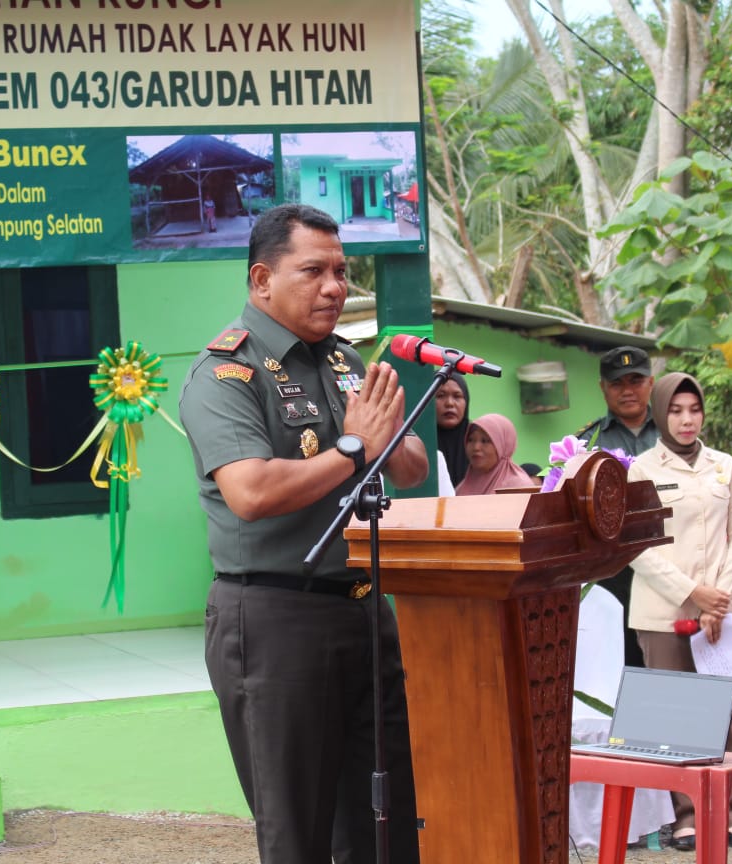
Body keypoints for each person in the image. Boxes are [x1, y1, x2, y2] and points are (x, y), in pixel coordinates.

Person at [178, 204, 429, 863]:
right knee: (299, 832)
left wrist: (387, 442)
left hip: (364, 612)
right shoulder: (226, 373)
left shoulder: (347, 362)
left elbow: (410, 464)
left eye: (342, 272)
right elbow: (252, 491)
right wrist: (353, 446)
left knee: (385, 821)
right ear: (262, 280)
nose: (335, 287)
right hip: (274, 619)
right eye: (313, 271)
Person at [626, 372, 732, 852]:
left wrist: (717, 597)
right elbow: (635, 544)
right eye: (676, 410)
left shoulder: (724, 466)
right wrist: (692, 592)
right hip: (662, 612)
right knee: (676, 715)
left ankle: (730, 816)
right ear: (660, 413)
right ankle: (686, 819)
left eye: (694, 410)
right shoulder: (639, 469)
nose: (686, 420)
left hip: (719, 611)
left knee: (722, 713)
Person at [576, 345, 658, 669]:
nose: (627, 391)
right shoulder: (587, 442)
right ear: (602, 388)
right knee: (627, 664)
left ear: (651, 383)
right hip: (618, 577)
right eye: (617, 383)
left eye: (635, 381)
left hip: (677, 566)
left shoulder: (674, 432)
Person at [455, 413, 536, 495]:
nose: (476, 447)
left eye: (485, 441)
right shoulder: (461, 489)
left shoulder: (520, 487)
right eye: (471, 440)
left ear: (503, 445)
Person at [434, 374, 470, 494]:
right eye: (440, 396)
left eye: (457, 396)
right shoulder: (418, 441)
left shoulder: (478, 440)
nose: (449, 403)